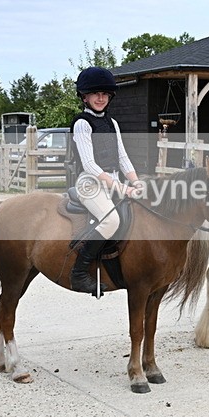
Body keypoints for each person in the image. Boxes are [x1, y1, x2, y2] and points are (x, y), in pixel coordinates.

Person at [69, 66, 141, 294]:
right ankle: (79, 273)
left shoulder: (113, 123)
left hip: (113, 181)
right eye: (95, 93)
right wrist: (123, 188)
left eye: (105, 94)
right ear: (85, 96)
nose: (100, 98)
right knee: (111, 221)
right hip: (89, 184)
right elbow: (89, 165)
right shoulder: (82, 123)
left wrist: (136, 181)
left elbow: (122, 157)